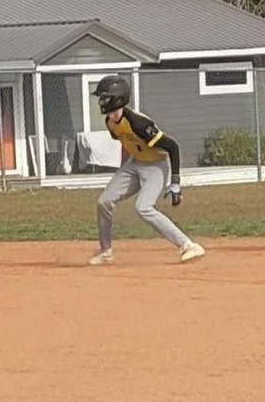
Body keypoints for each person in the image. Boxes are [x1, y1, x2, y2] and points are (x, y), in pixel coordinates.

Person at [87, 75, 206, 265]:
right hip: (135, 164)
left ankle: (189, 245)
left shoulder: (138, 123)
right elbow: (127, 144)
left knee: (143, 207)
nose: (101, 102)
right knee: (104, 201)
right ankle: (106, 252)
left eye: (105, 97)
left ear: (118, 98)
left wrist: (175, 183)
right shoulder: (110, 123)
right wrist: (123, 174)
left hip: (156, 165)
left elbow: (172, 147)